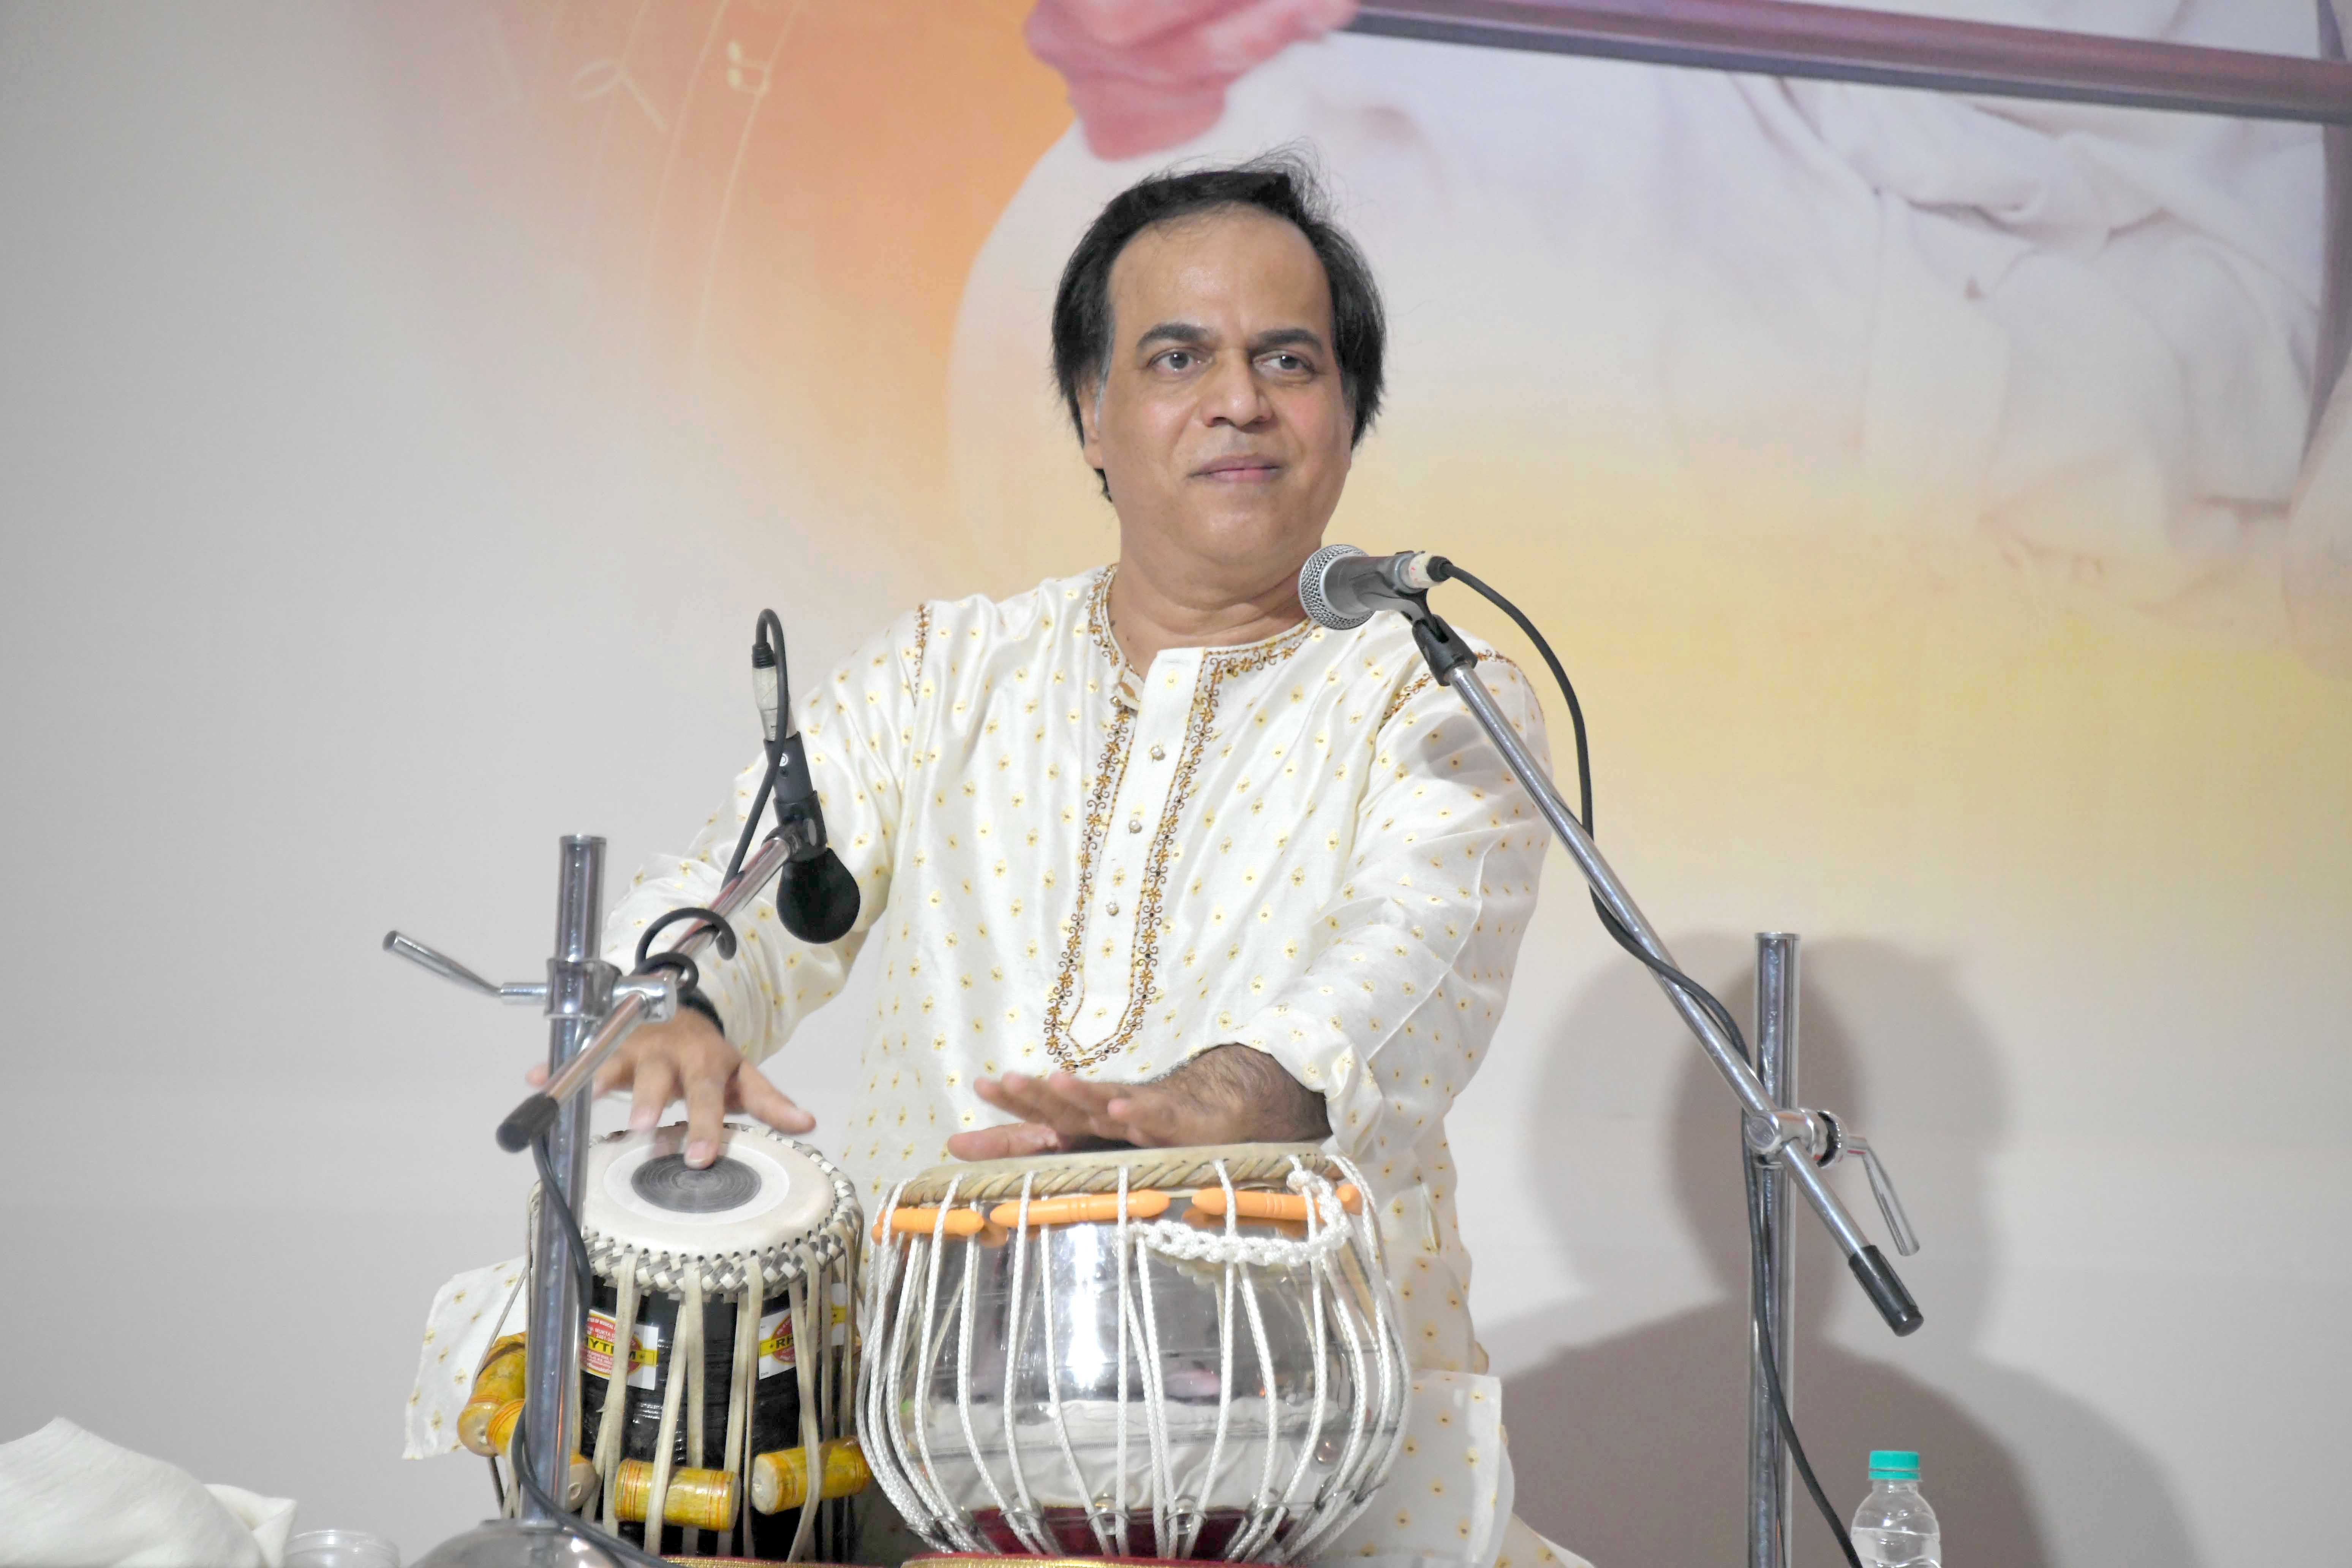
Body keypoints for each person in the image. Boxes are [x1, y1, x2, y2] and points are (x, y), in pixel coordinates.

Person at [583, 157, 1590, 1568]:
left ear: (1348, 413)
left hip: (1302, 1461)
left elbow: (1407, 974)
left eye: (1288, 360)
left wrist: (1217, 1102)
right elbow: (743, 884)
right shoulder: (946, 672)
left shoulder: (1432, 692)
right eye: (1179, 358)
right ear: (1092, 414)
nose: (1239, 400)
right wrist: (676, 1004)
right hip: (929, 1442)